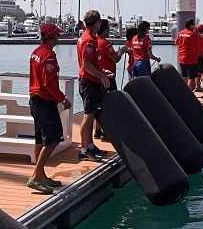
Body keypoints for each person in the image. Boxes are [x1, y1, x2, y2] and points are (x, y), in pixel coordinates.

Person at [27, 22, 72, 194]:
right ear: (52, 37)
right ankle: (36, 177)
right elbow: (48, 83)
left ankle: (40, 174)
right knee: (53, 139)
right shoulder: (49, 55)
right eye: (58, 35)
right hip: (45, 101)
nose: (59, 38)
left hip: (35, 100)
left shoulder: (35, 52)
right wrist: (63, 99)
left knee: (40, 139)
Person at [76, 10, 107, 162]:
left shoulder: (89, 38)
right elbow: (86, 64)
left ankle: (89, 145)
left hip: (91, 81)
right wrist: (101, 76)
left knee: (92, 113)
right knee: (88, 116)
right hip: (89, 83)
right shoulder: (88, 40)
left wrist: (103, 72)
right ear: (96, 23)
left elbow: (92, 63)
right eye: (99, 22)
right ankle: (84, 149)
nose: (100, 24)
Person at [94, 19, 130, 140]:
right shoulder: (105, 43)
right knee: (109, 105)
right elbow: (115, 59)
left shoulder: (95, 42)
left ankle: (98, 130)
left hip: (98, 77)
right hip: (108, 78)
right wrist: (122, 50)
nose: (109, 31)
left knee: (99, 105)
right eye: (108, 29)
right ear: (104, 31)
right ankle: (106, 133)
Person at [175, 18, 203, 91]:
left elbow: (177, 43)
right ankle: (190, 94)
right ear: (190, 25)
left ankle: (182, 91)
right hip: (190, 59)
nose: (195, 26)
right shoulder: (193, 34)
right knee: (192, 78)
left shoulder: (180, 33)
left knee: (184, 75)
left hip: (181, 59)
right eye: (193, 24)